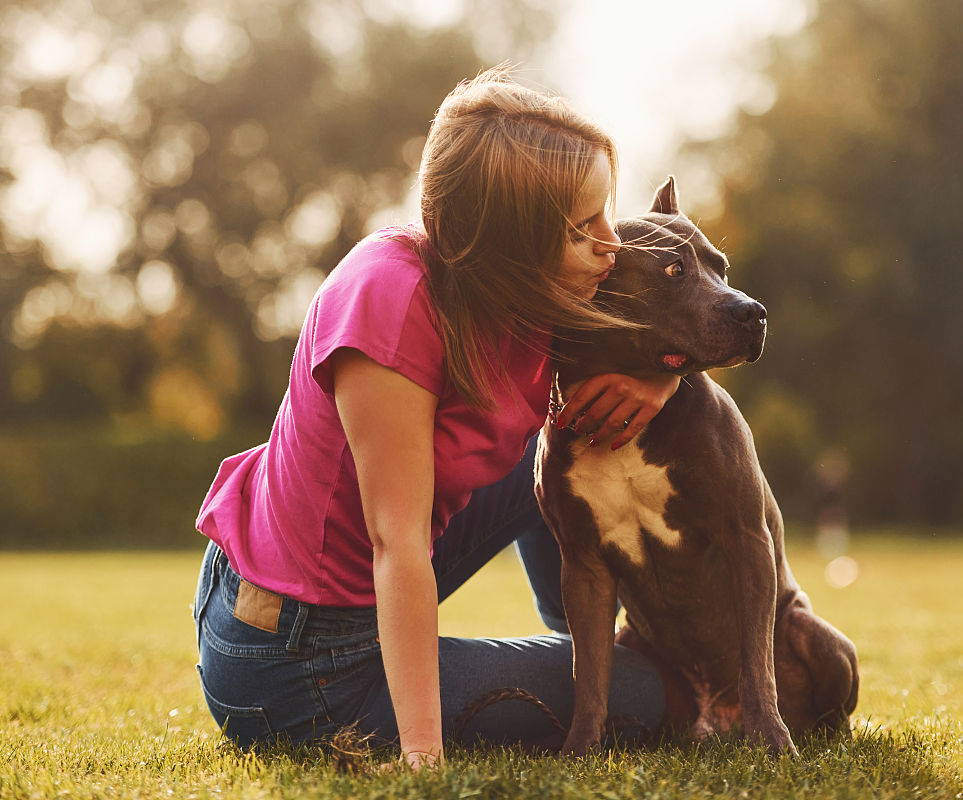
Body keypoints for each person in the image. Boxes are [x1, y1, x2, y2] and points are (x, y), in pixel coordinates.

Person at [191, 67, 678, 768]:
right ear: (508, 245)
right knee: (648, 692)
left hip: (335, 591)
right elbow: (396, 544)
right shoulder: (389, 301)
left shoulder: (535, 288)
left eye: (607, 211)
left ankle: (583, 638)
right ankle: (590, 663)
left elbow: (686, 315)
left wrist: (662, 379)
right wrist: (424, 758)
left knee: (566, 441)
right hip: (298, 660)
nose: (613, 244)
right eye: (582, 228)